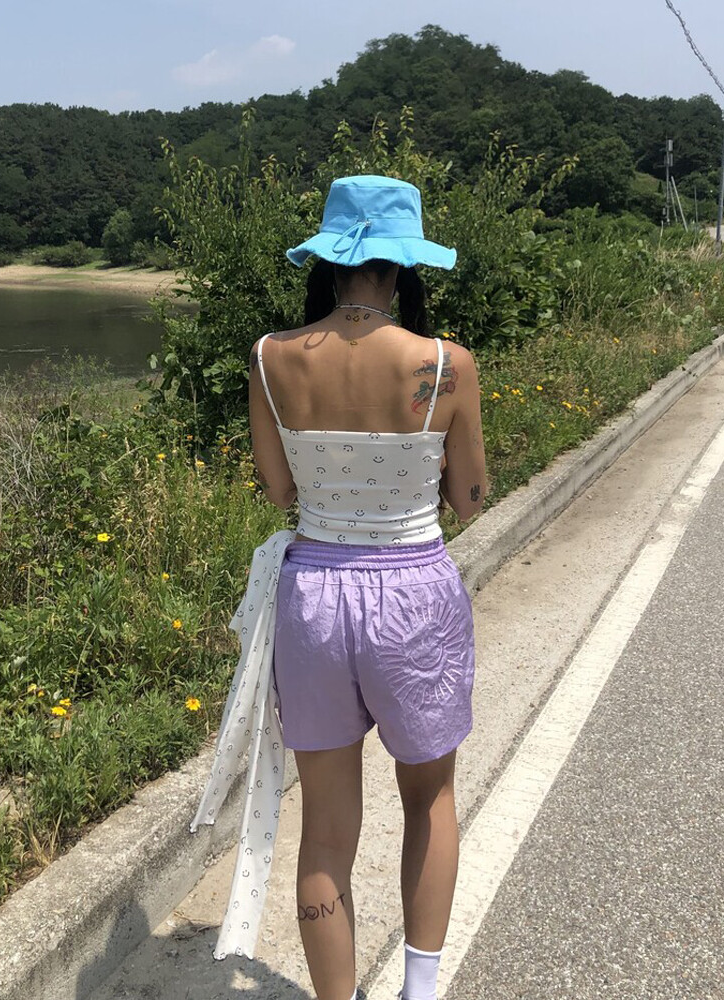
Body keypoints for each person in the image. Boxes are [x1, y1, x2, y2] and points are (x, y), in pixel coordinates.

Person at [247, 175, 487, 1000]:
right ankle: (419, 991)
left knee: (323, 830)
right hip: (412, 592)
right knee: (430, 796)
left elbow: (279, 491)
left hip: (312, 596)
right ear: (403, 263)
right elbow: (468, 499)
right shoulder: (443, 364)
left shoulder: (271, 357)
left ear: (329, 256)